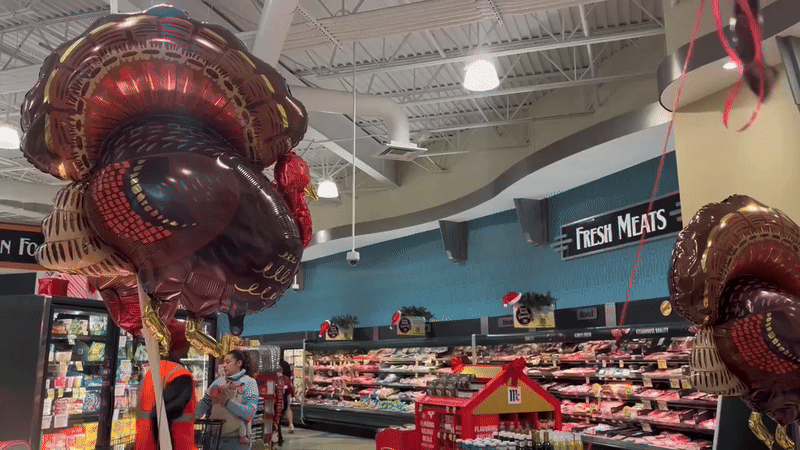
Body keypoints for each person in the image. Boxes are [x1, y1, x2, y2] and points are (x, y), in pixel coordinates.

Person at [135, 320, 197, 450]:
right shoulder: (180, 375)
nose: (189, 346)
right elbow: (160, 413)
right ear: (179, 345)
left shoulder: (152, 372)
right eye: (187, 342)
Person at [196, 350, 259, 450]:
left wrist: (227, 402)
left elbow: (249, 413)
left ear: (239, 363)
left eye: (228, 362)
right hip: (213, 439)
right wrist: (193, 417)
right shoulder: (219, 381)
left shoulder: (250, 383)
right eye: (223, 362)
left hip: (236, 441)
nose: (224, 365)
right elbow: (205, 402)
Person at [276, 358, 296, 446]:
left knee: (277, 419)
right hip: (285, 399)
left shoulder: (274, 378)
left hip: (277, 401)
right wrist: (293, 395)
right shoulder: (286, 379)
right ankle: (291, 424)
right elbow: (291, 390)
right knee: (286, 410)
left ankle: (278, 438)